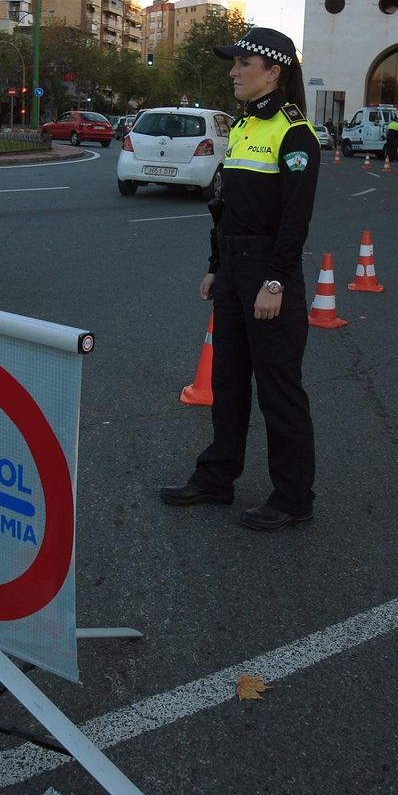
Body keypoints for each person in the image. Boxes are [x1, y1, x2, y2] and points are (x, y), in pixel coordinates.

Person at [159, 26, 318, 532]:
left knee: (278, 389)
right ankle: (217, 477)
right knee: (227, 382)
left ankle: (293, 497)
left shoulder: (294, 133)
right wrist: (215, 264)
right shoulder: (246, 126)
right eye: (234, 64)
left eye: (243, 64)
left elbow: (295, 219)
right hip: (232, 270)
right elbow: (227, 204)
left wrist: (275, 282)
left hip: (268, 273)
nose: (232, 72)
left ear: (274, 72)